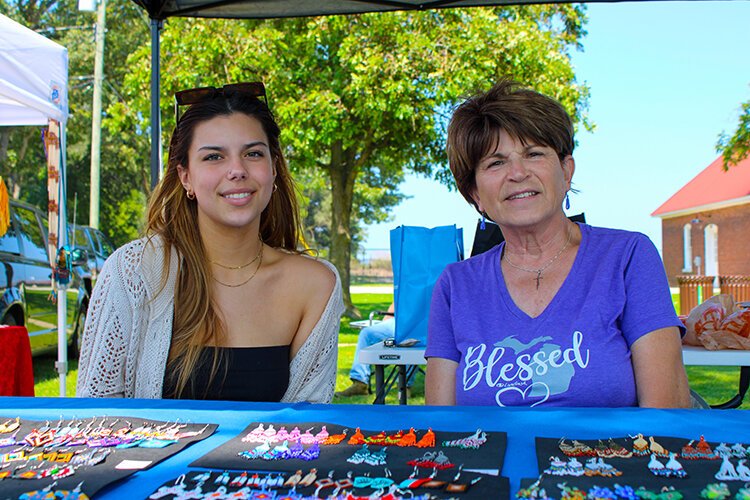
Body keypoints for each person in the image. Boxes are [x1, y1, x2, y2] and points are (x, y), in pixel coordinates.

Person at [425, 80, 691, 408]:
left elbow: (666, 417)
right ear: (476, 194)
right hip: (483, 460)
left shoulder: (628, 258)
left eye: (533, 154)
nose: (517, 173)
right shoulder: (456, 286)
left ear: (566, 172)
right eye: (495, 162)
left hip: (611, 459)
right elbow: (441, 425)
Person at [76, 82, 344, 403]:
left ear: (274, 169)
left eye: (253, 153)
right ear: (185, 176)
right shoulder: (135, 272)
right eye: (214, 156)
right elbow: (96, 411)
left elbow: (308, 427)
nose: (237, 170)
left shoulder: (315, 285)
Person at [335, 303, 415, 398]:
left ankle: (404, 385)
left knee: (412, 338)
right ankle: (360, 382)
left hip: (421, 322)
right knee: (367, 333)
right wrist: (387, 317)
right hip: (398, 321)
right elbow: (398, 299)